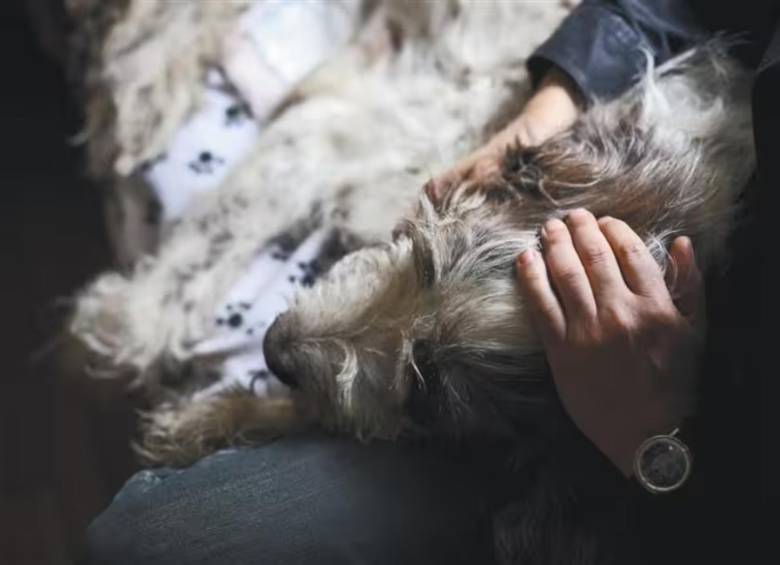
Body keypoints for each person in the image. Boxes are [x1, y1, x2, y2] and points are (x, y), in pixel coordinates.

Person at [82, 1, 774, 563]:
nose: (293, 336)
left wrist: (657, 443)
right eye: (424, 257)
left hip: (681, 486)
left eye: (426, 387)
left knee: (145, 540)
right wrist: (537, 124)